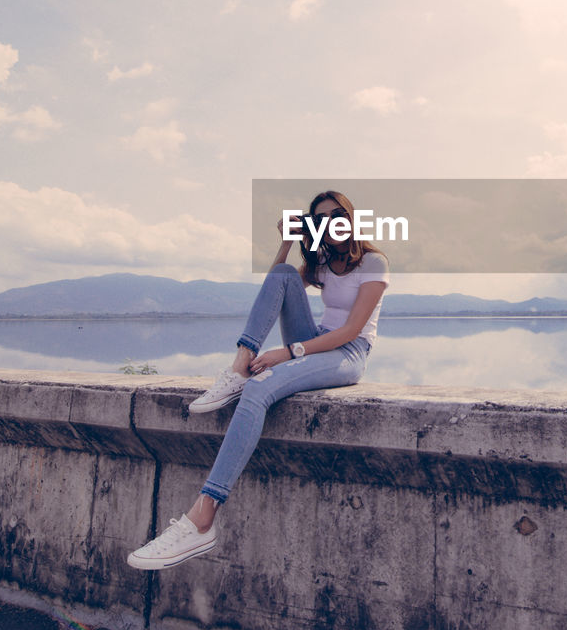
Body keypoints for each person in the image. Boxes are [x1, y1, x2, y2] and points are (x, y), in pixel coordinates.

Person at [127, 190, 390, 570]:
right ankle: (240, 362)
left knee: (260, 387)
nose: (331, 222)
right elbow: (275, 287)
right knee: (284, 273)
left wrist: (290, 352)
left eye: (338, 214)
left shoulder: (373, 262)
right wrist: (286, 244)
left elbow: (351, 330)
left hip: (349, 354)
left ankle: (203, 518)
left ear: (351, 218)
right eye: (320, 218)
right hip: (315, 340)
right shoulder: (323, 263)